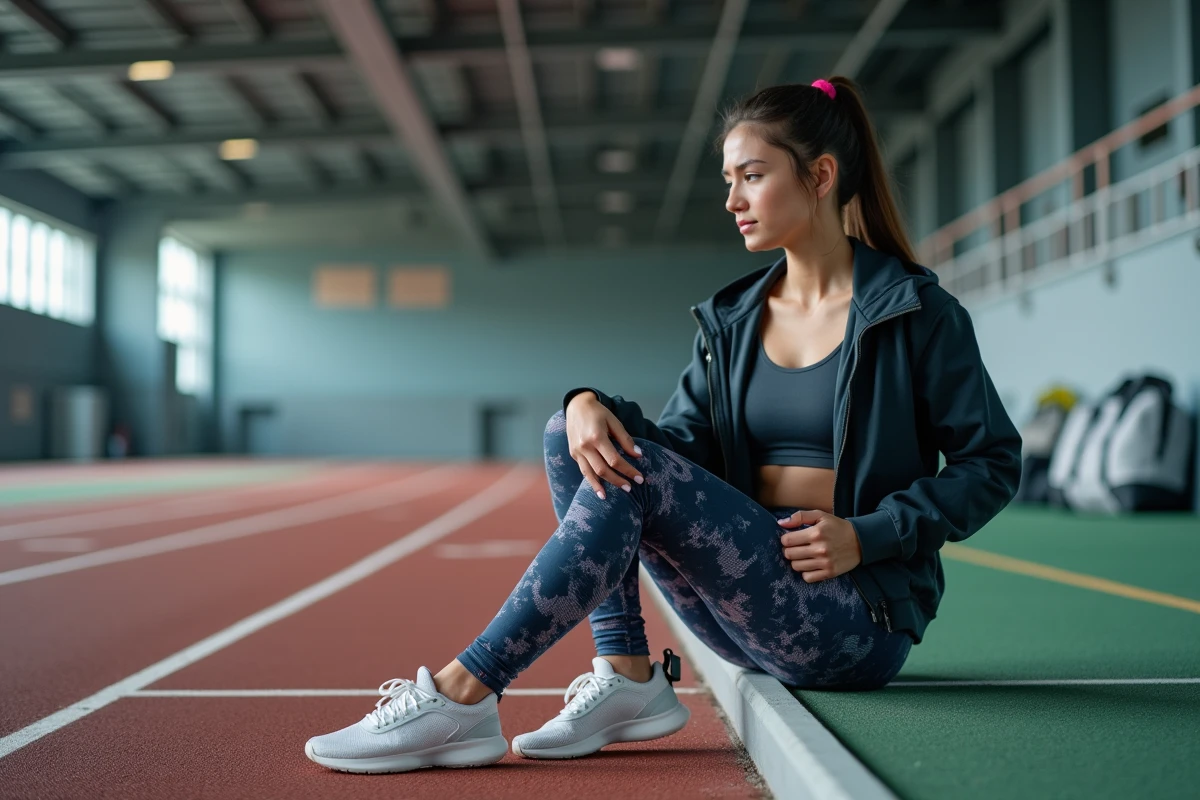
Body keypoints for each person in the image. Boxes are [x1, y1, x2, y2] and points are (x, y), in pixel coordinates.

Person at [304, 75, 1023, 774]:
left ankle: (464, 694)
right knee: (571, 433)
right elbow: (678, 449)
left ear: (822, 175)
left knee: (633, 474)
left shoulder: (916, 315)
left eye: (751, 175)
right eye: (729, 179)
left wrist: (866, 536)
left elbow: (991, 461)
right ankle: (623, 673)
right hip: (742, 610)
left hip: (850, 621)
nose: (732, 199)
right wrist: (586, 402)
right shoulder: (734, 321)